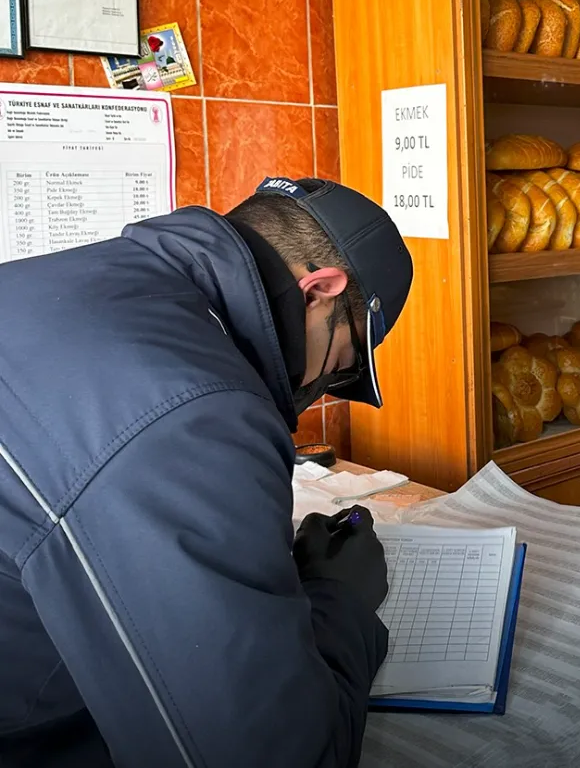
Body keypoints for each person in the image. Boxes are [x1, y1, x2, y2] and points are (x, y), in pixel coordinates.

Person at [0, 177, 413, 767]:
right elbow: (266, 754)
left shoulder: (59, 277)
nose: (312, 393)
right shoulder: (197, 409)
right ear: (319, 291)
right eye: (336, 365)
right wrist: (341, 597)